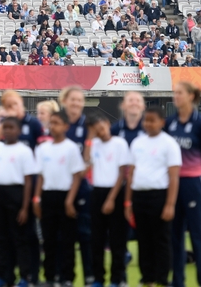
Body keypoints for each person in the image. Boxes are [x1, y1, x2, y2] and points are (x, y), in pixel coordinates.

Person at [125, 107, 181, 287]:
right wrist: (128, 202)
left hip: (159, 196)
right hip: (139, 196)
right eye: (146, 120)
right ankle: (147, 278)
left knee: (161, 240)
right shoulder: (137, 143)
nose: (148, 124)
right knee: (143, 240)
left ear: (161, 122)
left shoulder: (169, 143)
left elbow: (174, 176)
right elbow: (130, 174)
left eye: (152, 120)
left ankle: (163, 279)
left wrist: (170, 204)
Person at [166, 82, 201, 287]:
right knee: (174, 237)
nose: (175, 96)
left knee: (199, 236)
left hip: (194, 183)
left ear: (190, 96)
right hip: (173, 185)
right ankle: (178, 282)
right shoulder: (170, 123)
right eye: (174, 93)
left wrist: (199, 179)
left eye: (179, 93)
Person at [0, 117, 37, 287]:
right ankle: (4, 276)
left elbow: (28, 180)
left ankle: (24, 276)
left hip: (16, 194)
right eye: (5, 128)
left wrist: (25, 207)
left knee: (19, 238)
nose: (7, 131)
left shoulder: (24, 151)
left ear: (19, 131)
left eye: (11, 128)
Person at [33, 110, 85, 287]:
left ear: (65, 126)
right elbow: (40, 176)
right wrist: (36, 199)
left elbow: (77, 176)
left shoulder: (71, 147)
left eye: (57, 123)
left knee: (67, 240)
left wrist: (70, 200)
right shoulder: (42, 148)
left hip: (65, 196)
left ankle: (67, 277)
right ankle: (50, 276)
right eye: (51, 123)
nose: (53, 126)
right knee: (49, 240)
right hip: (47, 197)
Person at [85, 114, 131, 287]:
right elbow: (86, 163)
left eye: (101, 128)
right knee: (96, 240)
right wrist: (90, 139)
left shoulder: (119, 143)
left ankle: (116, 279)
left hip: (116, 192)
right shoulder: (93, 144)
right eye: (96, 130)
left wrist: (111, 199)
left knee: (117, 241)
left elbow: (122, 174)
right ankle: (98, 279)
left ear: (107, 124)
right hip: (97, 193)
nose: (100, 132)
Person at [58, 86, 93, 283]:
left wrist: (80, 173)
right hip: (60, 187)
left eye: (80, 100)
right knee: (64, 236)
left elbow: (89, 159)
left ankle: (89, 276)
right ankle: (66, 277)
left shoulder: (88, 125)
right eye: (73, 100)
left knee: (86, 234)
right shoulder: (58, 125)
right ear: (65, 101)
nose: (76, 104)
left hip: (81, 187)